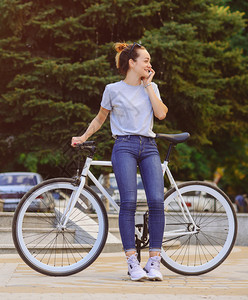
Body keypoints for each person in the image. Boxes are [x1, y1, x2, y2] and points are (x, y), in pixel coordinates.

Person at [71, 42, 168, 281]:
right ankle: (132, 262)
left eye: (149, 60)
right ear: (131, 63)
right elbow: (100, 119)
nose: (149, 64)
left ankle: (154, 261)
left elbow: (161, 113)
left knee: (156, 201)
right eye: (145, 60)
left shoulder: (151, 86)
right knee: (129, 202)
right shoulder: (112, 89)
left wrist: (147, 87)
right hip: (123, 146)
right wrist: (83, 136)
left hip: (149, 146)